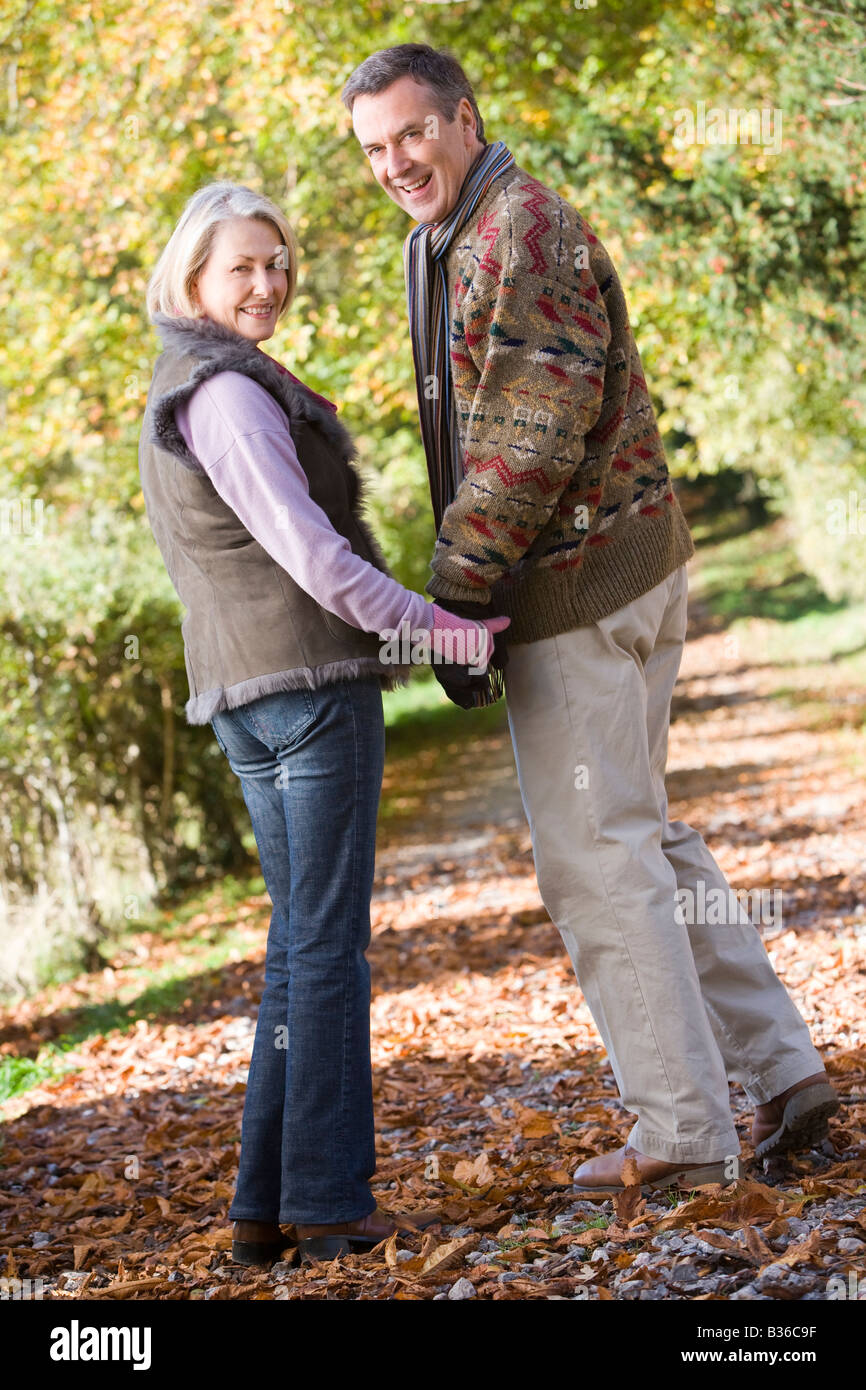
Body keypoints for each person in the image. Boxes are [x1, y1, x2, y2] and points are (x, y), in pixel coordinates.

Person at [341, 44, 839, 1194]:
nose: (395, 163)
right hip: (612, 571)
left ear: (463, 118)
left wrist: (457, 598)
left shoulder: (520, 231)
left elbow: (528, 429)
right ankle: (780, 1067)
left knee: (596, 862)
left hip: (576, 592)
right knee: (641, 832)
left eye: (412, 134)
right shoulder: (458, 235)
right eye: (373, 149)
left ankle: (678, 1135)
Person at [138, 180, 509, 1259]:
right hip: (305, 695)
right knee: (327, 951)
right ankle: (331, 1202)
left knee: (299, 947)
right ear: (193, 278)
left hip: (250, 697)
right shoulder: (229, 396)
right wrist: (444, 633)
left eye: (277, 260)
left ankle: (265, 1208)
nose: (267, 282)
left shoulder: (190, 382)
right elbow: (318, 563)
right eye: (242, 266)